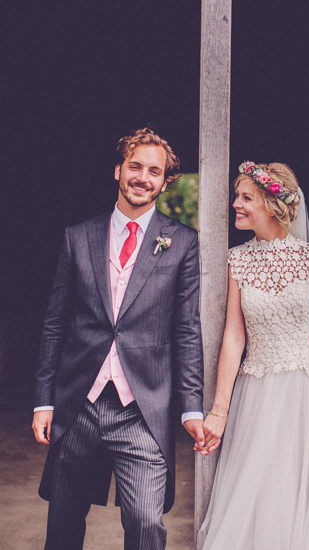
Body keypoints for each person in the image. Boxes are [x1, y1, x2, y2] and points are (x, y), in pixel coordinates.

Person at [32, 127, 205, 550]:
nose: (142, 177)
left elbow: (186, 331)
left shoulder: (182, 243)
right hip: (79, 404)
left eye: (154, 171)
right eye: (135, 167)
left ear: (165, 182)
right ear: (118, 171)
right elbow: (56, 322)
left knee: (147, 523)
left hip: (143, 408)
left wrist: (191, 406)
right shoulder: (79, 236)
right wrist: (44, 398)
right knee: (64, 523)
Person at [197, 161, 309, 550]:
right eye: (237, 196)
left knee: (304, 492)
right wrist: (219, 412)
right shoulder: (236, 260)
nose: (236, 205)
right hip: (258, 393)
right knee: (261, 489)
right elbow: (234, 339)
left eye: (246, 197)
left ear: (274, 204)